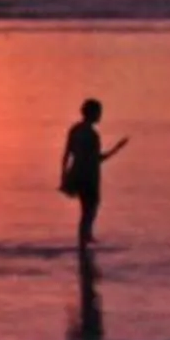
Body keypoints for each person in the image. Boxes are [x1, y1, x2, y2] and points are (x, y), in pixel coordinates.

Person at [57, 98, 126, 249]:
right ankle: (84, 242)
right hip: (89, 176)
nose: (100, 115)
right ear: (93, 113)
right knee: (90, 209)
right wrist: (117, 149)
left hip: (76, 174)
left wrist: (63, 176)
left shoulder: (75, 129)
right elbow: (97, 159)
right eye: (99, 112)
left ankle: (85, 240)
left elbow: (67, 154)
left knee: (86, 210)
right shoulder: (93, 135)